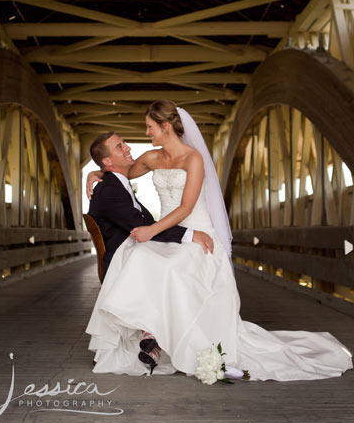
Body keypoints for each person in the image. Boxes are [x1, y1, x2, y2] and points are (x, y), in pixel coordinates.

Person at [85, 100, 353, 381]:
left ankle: (161, 334)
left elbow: (187, 207)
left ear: (165, 127)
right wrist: (95, 173)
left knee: (169, 264)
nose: (147, 134)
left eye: (150, 128)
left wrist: (153, 231)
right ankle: (153, 333)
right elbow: (120, 172)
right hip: (168, 234)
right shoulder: (152, 159)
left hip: (194, 229)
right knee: (144, 257)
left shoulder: (193, 158)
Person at [88, 131, 214, 278]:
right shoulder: (109, 190)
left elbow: (146, 224)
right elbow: (141, 225)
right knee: (183, 264)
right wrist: (190, 234)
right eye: (119, 147)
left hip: (134, 248)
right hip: (122, 259)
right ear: (108, 162)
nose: (127, 148)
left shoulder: (116, 185)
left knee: (185, 258)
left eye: (124, 143)